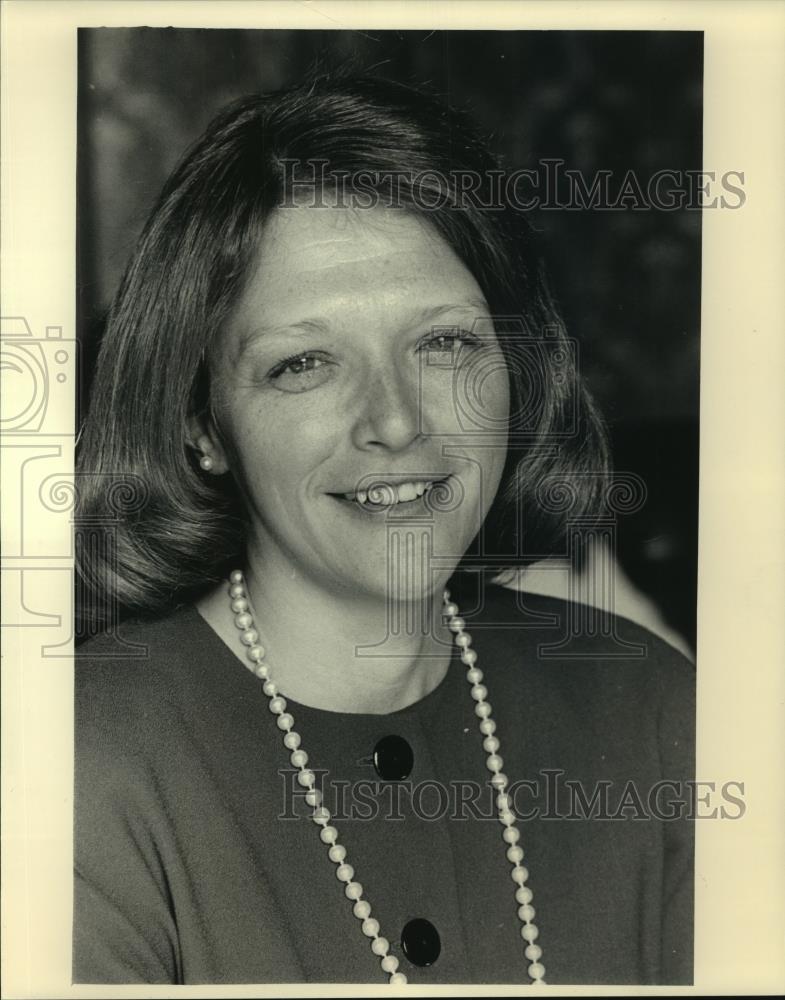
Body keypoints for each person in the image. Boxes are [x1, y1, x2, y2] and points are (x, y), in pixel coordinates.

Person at [74, 74, 695, 986]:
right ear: (198, 424)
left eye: (443, 342)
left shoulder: (646, 706)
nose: (396, 422)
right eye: (304, 363)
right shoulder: (79, 759)